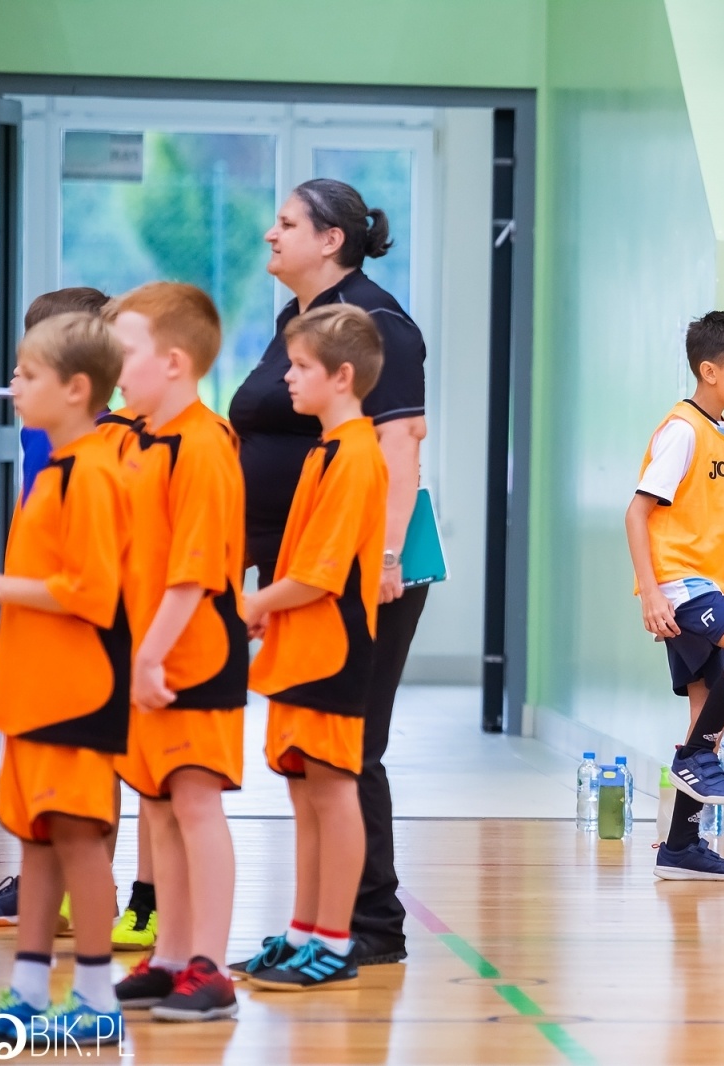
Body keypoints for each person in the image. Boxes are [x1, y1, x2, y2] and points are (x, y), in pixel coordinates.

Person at [229, 179, 427, 965]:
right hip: (291, 563)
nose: (270, 235)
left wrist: (384, 559)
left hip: (354, 573)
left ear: (331, 239)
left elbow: (402, 446)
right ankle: (316, 925)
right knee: (313, 756)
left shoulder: (377, 324)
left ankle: (369, 926)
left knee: (350, 751)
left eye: (285, 224)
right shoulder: (296, 322)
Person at [0, 286, 157, 954]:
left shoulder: (98, 469)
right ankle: (33, 990)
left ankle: (94, 997)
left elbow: (93, 591)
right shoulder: (64, 461)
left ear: (75, 387)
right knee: (42, 839)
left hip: (82, 680)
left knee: (77, 837)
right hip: (42, 678)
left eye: (27, 372)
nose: (11, 385)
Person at [235, 305, 389, 991]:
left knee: (333, 794)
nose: (287, 381)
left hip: (333, 648)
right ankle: (302, 931)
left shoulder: (357, 455)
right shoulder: (325, 449)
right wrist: (272, 613)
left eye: (300, 368)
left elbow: (322, 574)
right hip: (300, 646)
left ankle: (335, 939)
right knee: (303, 796)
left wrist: (255, 604)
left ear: (343, 375)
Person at [108, 283, 246, 1023]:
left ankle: (211, 968)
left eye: (124, 352)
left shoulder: (204, 443)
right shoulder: (136, 438)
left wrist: (152, 657)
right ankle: (168, 960)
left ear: (172, 361)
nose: (113, 366)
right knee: (157, 810)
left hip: (191, 656)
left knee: (193, 807)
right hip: (147, 655)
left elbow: (192, 572)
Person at [626, 311, 724, 881]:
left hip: (710, 585)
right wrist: (650, 594)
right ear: (709, 371)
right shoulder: (682, 429)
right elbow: (637, 514)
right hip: (680, 586)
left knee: (702, 712)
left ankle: (680, 848)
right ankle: (692, 761)